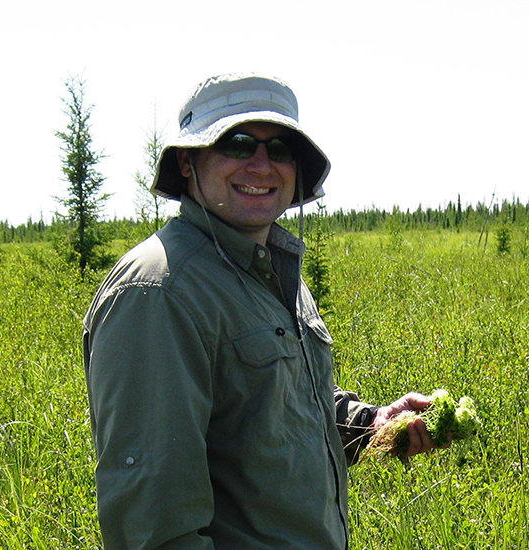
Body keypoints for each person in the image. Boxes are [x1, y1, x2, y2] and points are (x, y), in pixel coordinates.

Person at [83, 73, 440, 550]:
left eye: (281, 148)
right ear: (187, 161)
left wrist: (372, 424)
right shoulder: (160, 291)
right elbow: (152, 526)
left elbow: (278, 408)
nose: (261, 164)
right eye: (237, 143)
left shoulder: (267, 267)